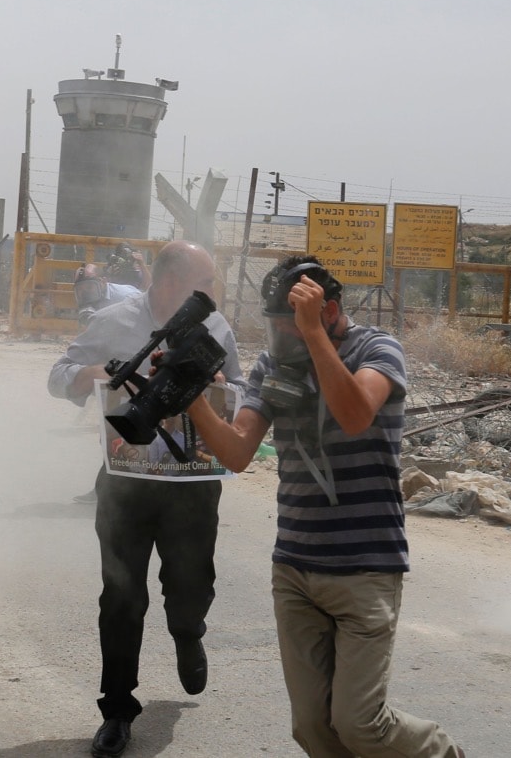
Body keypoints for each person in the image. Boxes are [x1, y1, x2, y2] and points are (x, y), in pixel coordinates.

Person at [185, 255, 466, 758]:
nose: (279, 341)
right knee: (314, 730)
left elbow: (357, 414)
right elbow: (238, 452)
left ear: (330, 311)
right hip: (295, 566)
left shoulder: (378, 349)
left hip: (364, 566)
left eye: (288, 328)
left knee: (361, 725)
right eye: (276, 329)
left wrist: (313, 338)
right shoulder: (274, 365)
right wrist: (192, 400)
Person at [47, 241, 243, 758]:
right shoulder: (113, 320)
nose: (214, 290)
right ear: (174, 280)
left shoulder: (217, 327)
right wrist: (87, 376)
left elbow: (242, 393)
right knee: (120, 597)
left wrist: (221, 387)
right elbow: (58, 376)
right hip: (124, 485)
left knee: (190, 582)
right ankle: (116, 710)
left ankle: (187, 629)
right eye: (207, 280)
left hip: (193, 485)